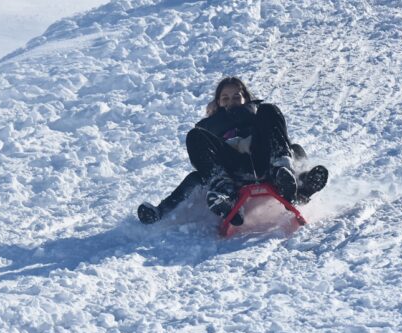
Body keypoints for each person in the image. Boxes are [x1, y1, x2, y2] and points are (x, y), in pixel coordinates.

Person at [138, 77, 328, 225]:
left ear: (246, 97)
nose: (232, 101)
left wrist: (247, 111)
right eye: (225, 98)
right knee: (194, 137)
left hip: (266, 164)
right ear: (218, 102)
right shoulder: (209, 125)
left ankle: (295, 184)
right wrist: (216, 117)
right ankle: (221, 194)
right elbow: (200, 164)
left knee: (291, 144)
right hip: (232, 171)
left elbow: (267, 127)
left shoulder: (259, 112)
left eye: (237, 96)